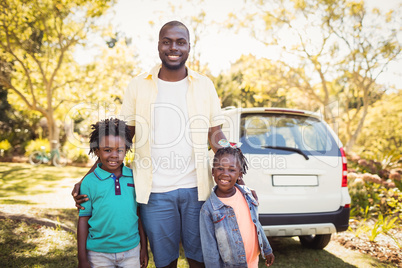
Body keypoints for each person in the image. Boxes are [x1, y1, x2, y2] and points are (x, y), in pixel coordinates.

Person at [73, 21, 227, 268]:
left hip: (196, 188)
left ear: (189, 46)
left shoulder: (204, 84)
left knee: (201, 259)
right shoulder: (138, 85)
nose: (173, 47)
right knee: (165, 261)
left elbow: (215, 132)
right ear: (158, 45)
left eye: (180, 42)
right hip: (154, 192)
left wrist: (232, 158)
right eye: (167, 41)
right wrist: (88, 176)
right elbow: (125, 136)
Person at [77, 118, 148, 268]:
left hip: (131, 250)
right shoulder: (89, 182)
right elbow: (83, 219)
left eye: (119, 150)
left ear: (126, 150)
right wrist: (82, 258)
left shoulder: (135, 178)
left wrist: (144, 248)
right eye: (107, 150)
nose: (114, 155)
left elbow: (139, 215)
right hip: (98, 253)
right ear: (97, 151)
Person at [199, 140, 275, 268]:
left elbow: (257, 225)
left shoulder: (247, 196)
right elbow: (209, 249)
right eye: (220, 168)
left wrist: (267, 250)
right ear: (213, 171)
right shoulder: (208, 210)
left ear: (240, 174)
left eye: (231, 169)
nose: (225, 173)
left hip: (252, 262)